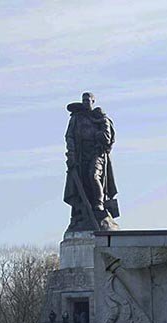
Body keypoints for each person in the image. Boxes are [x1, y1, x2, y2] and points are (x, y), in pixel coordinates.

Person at [64, 92, 119, 231]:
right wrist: (71, 153)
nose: (86, 102)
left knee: (93, 176)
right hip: (81, 155)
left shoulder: (99, 118)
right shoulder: (76, 118)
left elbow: (107, 138)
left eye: (88, 100)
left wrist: (95, 135)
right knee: (82, 183)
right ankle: (81, 211)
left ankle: (99, 205)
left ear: (93, 101)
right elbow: (69, 136)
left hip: (96, 153)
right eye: (84, 100)